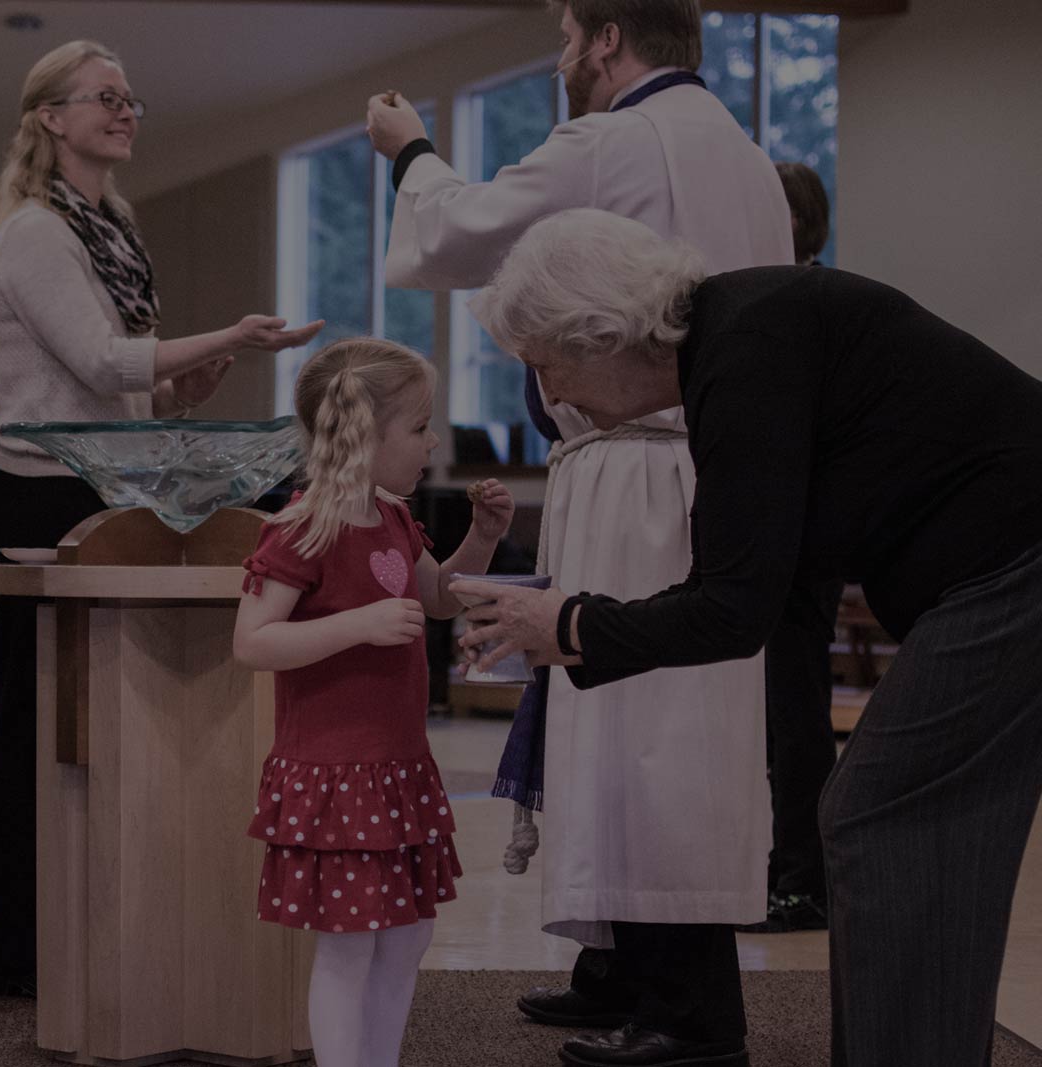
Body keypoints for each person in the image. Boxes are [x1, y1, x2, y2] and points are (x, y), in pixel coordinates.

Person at [458, 207, 1042, 1067]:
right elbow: (764, 580)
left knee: (879, 816)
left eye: (548, 366)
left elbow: (735, 607)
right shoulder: (743, 335)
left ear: (603, 332)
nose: (555, 398)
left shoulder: (745, 350)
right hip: (1006, 562)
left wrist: (570, 623)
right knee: (923, 819)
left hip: (1018, 560)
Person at [366, 3, 791, 1063]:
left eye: (565, 33)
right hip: (702, 456)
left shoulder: (611, 136)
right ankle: (625, 969)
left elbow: (462, 231)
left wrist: (409, 149)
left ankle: (688, 1011)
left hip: (639, 455)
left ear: (604, 38)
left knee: (648, 733)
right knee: (644, 731)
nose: (563, 57)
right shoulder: (743, 152)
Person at [0, 37, 322, 997]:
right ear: (51, 117)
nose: (127, 112)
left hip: (109, 480)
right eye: (105, 98)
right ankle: (26, 947)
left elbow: (127, 391)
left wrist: (188, 382)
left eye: (132, 99)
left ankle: (108, 922)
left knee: (105, 715)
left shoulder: (109, 228)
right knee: (43, 718)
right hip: (45, 487)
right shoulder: (38, 229)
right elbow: (94, 363)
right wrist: (231, 337)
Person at [233, 337, 514, 1067]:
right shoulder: (302, 526)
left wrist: (481, 539)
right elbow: (253, 641)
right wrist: (356, 624)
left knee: (408, 934)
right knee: (351, 945)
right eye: (420, 426)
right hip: (335, 772)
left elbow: (439, 597)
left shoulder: (392, 519)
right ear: (366, 433)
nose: (434, 442)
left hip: (394, 768)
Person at [744, 160, 842, 934]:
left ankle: (802, 878)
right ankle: (774, 866)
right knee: (773, 709)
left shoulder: (805, 301)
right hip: (777, 521)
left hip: (801, 527)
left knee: (793, 709)